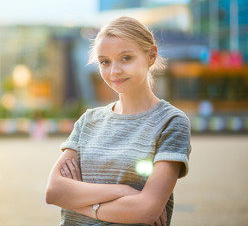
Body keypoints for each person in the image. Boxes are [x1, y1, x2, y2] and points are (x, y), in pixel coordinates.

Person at [45, 16, 192, 226]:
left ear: (151, 55)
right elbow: (54, 192)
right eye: (105, 61)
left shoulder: (171, 122)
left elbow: (146, 210)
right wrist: (122, 191)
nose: (114, 71)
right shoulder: (88, 120)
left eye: (126, 58)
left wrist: (80, 201)